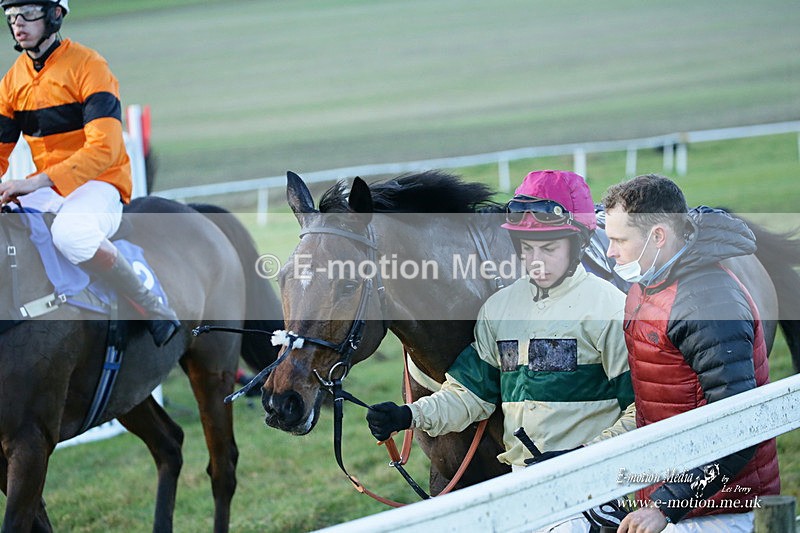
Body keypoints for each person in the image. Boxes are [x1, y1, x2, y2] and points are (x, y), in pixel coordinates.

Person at [367, 170, 636, 532]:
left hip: (594, 492)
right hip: (522, 489)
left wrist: (582, 458)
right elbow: (471, 395)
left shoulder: (610, 309)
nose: (535, 259)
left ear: (580, 242)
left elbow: (642, 410)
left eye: (549, 247)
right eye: (527, 247)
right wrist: (408, 416)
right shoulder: (500, 310)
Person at [603, 174, 779, 532]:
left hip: (717, 511)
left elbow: (740, 430)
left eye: (620, 240)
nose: (610, 251)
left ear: (658, 237)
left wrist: (665, 508)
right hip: (675, 499)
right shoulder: (649, 281)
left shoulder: (708, 306)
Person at [0, 0, 179, 346]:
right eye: (11, 17)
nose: (18, 24)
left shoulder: (89, 66)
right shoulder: (11, 82)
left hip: (101, 182)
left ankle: (152, 308)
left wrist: (33, 182)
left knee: (70, 233)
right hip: (51, 186)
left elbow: (104, 149)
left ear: (55, 14)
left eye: (28, 14)